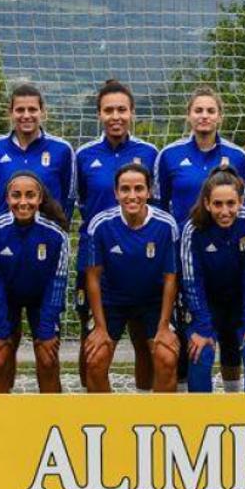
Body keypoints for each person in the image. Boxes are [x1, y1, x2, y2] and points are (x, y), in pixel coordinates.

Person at [73, 80, 159, 392]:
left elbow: (157, 205)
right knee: (93, 338)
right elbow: (78, 202)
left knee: (142, 336)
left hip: (140, 257)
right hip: (97, 259)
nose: (115, 116)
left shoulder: (149, 153)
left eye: (121, 109)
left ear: (132, 113)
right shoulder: (83, 155)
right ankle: (93, 408)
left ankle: (142, 403)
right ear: (99, 114)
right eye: (109, 110)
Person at [83, 164, 181, 393]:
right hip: (112, 301)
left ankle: (158, 422)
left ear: (149, 191)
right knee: (95, 360)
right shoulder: (100, 224)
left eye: (139, 188)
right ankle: (106, 423)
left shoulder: (166, 225)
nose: (132, 195)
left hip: (153, 302)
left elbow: (170, 279)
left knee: (166, 359)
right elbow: (93, 278)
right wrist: (99, 327)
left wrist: (164, 326)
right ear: (116, 193)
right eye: (125, 189)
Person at [0, 172, 69, 395]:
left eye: (30, 195)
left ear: (40, 199)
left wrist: (47, 329)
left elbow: (56, 284)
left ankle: (52, 422)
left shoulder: (56, 235)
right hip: (5, 299)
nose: (23, 202)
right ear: (7, 199)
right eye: (16, 195)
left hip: (41, 299)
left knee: (48, 359)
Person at [179, 170, 245, 392]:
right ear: (207, 204)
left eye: (231, 203)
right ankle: (200, 420)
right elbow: (192, 281)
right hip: (207, 303)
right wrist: (202, 325)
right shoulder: (193, 229)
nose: (225, 211)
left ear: (241, 201)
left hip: (242, 302)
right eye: (218, 204)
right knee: (201, 351)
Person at [155, 85, 245, 222]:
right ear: (188, 115)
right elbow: (160, 204)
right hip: (182, 240)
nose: (204, 116)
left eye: (211, 111)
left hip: (225, 239)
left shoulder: (239, 156)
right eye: (198, 111)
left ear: (220, 117)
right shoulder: (168, 155)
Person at [0, 83, 76, 221]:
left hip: (47, 236)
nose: (26, 115)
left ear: (42, 111)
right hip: (5, 237)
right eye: (20, 110)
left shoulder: (62, 149)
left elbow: (69, 198)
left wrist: (57, 228)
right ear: (11, 112)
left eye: (32, 109)